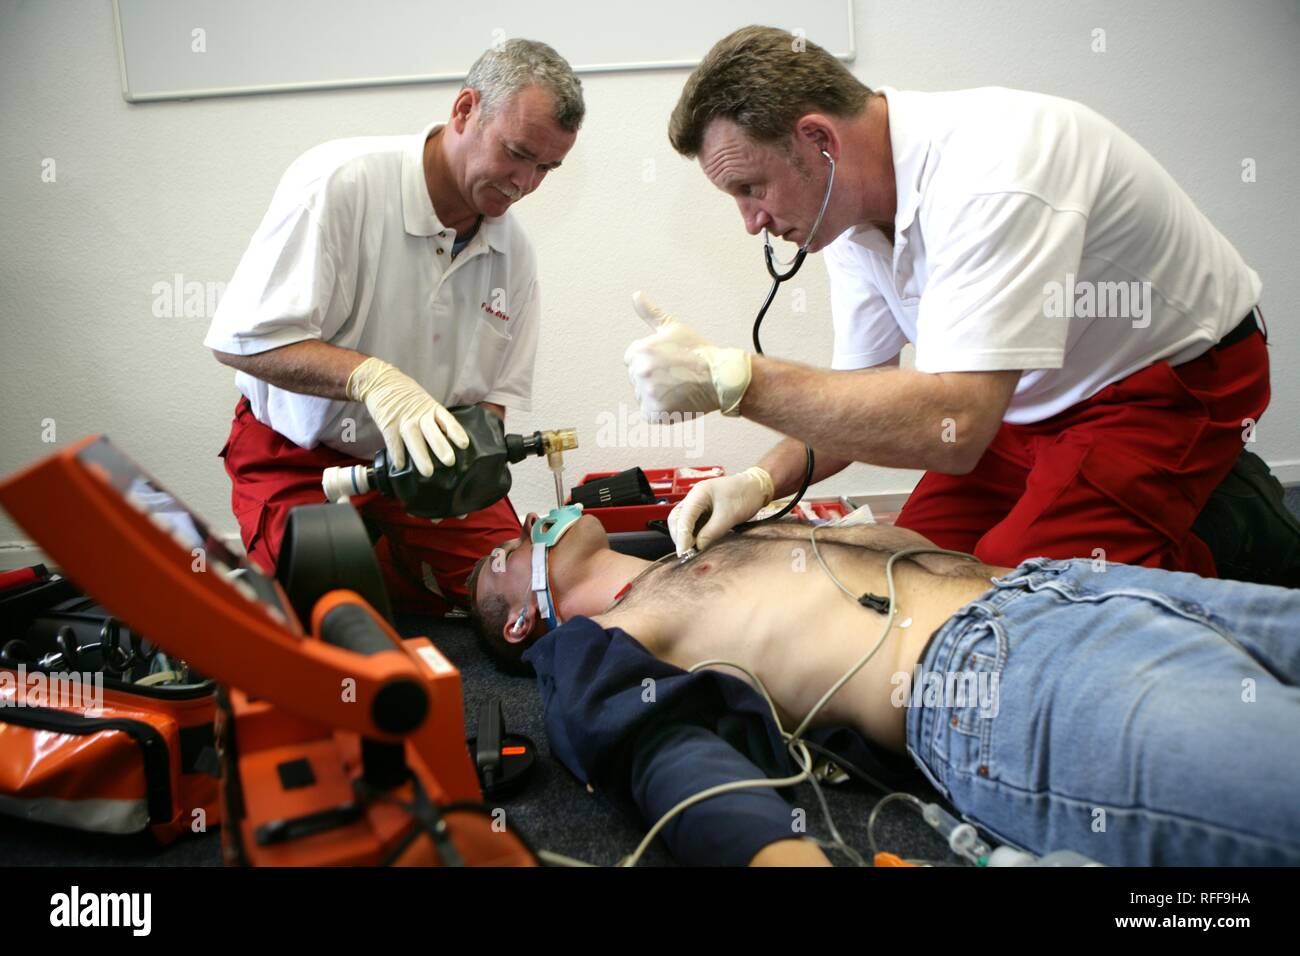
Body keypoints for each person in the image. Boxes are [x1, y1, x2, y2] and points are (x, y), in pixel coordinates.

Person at [622, 25, 1299, 588]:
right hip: (1020, 395)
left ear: (817, 141)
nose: (751, 221)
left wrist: (736, 381)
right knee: (906, 572)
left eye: (750, 187)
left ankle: (1232, 550)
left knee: (1012, 593)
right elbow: (855, 398)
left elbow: (956, 423)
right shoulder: (847, 211)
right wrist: (757, 481)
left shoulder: (994, 170)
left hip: (1169, 381)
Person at [467, 510, 1300, 866]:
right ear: (517, 622)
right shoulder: (595, 640)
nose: (532, 522)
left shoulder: (700, 543)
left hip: (1085, 590)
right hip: (988, 676)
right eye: (508, 547)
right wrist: (779, 854)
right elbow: (652, 748)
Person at [204, 40, 583, 614]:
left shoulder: (513, 254)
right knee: (324, 623)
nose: (525, 183)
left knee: (526, 603)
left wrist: (469, 470)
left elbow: (492, 405)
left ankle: (391, 568)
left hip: (432, 468)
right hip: (301, 453)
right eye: (517, 153)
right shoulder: (338, 184)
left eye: (546, 168)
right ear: (464, 110)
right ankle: (375, 573)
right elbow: (242, 340)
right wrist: (372, 380)